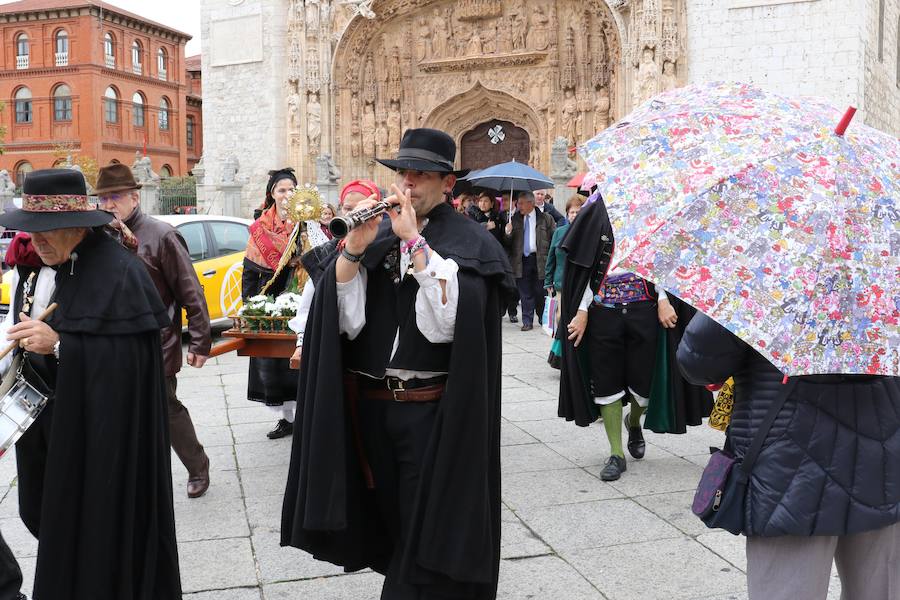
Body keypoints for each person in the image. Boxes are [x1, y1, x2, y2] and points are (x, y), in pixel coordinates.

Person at [282, 128, 513, 600]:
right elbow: (346, 322)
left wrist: (415, 243)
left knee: (428, 525)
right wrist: (354, 250)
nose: (408, 182)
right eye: (404, 172)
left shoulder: (469, 240)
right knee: (392, 520)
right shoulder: (378, 233)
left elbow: (448, 325)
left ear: (448, 183)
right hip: (372, 409)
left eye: (422, 174)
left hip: (431, 411)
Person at [0, 169, 181, 599]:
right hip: (52, 427)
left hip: (105, 441)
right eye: (31, 232)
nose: (37, 242)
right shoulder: (49, 267)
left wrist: (61, 345)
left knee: (100, 533)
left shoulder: (121, 273)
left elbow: (133, 367)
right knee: (48, 518)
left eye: (46, 232)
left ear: (78, 225)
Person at [677, 313, 900, 600]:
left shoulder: (763, 286)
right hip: (881, 460)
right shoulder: (886, 286)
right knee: (881, 589)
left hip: (789, 472)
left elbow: (698, 362)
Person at [560, 193, 708, 481]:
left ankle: (635, 421)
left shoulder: (655, 208)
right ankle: (616, 453)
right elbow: (585, 269)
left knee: (647, 384)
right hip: (603, 313)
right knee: (606, 382)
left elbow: (664, 261)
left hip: (644, 310)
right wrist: (581, 310)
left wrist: (664, 299)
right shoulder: (595, 212)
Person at [96, 163, 212, 499]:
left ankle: (198, 466)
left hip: (157, 343)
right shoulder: (98, 237)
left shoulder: (161, 235)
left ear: (135, 197)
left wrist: (200, 342)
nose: (108, 204)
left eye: (115, 196)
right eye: (103, 198)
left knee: (166, 409)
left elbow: (190, 291)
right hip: (113, 345)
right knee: (120, 412)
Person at [288, 180, 382, 367]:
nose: (354, 215)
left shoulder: (384, 248)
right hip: (334, 346)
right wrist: (302, 342)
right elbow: (309, 303)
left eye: (361, 208)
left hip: (371, 350)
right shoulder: (329, 251)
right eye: (348, 209)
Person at [243, 168, 303, 439]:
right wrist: (248, 304)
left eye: (291, 189)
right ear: (272, 194)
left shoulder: (306, 222)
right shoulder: (260, 227)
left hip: (300, 291)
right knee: (271, 362)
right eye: (282, 190)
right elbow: (249, 269)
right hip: (268, 296)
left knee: (297, 358)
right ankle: (286, 418)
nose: (287, 194)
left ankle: (304, 414)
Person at [504, 190, 556, 331]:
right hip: (521, 261)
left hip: (540, 260)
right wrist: (508, 233)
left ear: (531, 203)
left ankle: (541, 316)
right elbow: (508, 244)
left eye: (521, 203)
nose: (518, 206)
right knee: (525, 292)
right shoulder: (515, 219)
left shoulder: (546, 218)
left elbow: (554, 238)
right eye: (518, 203)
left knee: (540, 292)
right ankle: (527, 321)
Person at [544, 195, 583, 368]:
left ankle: (572, 355)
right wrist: (548, 281)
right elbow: (551, 258)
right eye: (571, 212)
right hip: (561, 283)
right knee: (561, 317)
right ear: (567, 214)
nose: (574, 215)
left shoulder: (587, 233)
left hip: (580, 284)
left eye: (578, 212)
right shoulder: (559, 232)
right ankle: (561, 354)